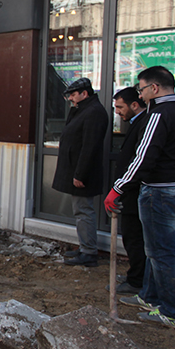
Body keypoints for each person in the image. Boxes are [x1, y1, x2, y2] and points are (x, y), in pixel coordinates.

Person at [106, 65, 175, 330]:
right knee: (156, 250)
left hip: (161, 192)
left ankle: (174, 313)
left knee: (161, 254)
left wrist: (119, 187)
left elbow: (143, 157)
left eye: (141, 88)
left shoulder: (158, 116)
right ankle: (150, 297)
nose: (141, 94)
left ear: (154, 88)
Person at [53, 77, 108, 267]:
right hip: (78, 170)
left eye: (73, 95)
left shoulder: (93, 112)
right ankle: (85, 246)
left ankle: (89, 252)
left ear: (85, 93)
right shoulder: (83, 110)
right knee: (81, 211)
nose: (70, 99)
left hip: (83, 173)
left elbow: (89, 146)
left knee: (83, 211)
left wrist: (80, 174)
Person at [111, 86, 148, 294]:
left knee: (135, 239)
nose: (117, 111)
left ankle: (137, 281)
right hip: (131, 191)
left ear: (135, 105)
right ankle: (137, 276)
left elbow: (139, 161)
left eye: (120, 107)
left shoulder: (146, 123)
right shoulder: (137, 123)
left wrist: (120, 188)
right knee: (132, 238)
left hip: (135, 193)